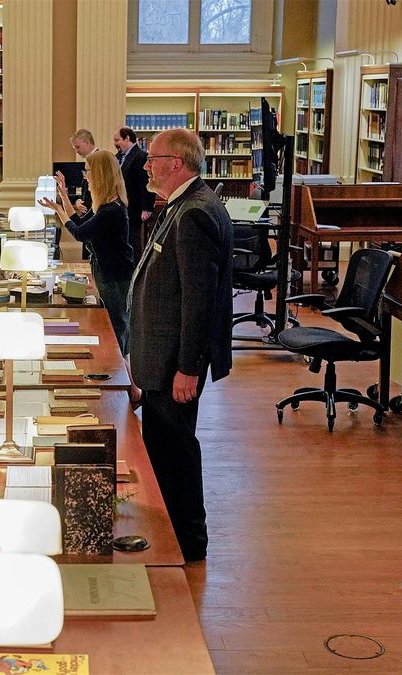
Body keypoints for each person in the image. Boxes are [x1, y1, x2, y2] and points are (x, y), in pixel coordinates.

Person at [127, 129, 233, 562]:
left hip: (174, 362)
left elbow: (198, 299)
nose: (146, 166)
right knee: (163, 451)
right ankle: (170, 533)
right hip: (161, 357)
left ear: (178, 163)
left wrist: (188, 367)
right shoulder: (181, 205)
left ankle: (188, 543)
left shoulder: (194, 213)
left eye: (153, 159)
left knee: (176, 453)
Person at [40, 150, 134, 353]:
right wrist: (63, 197)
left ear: (99, 174)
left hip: (114, 273)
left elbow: (80, 233)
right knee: (113, 320)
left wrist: (59, 210)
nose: (85, 176)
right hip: (106, 268)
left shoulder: (111, 209)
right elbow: (80, 222)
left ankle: (125, 375)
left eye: (87, 171)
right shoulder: (104, 205)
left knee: (116, 323)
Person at [114, 126, 154, 244]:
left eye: (117, 140)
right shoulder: (118, 157)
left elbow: (146, 183)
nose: (115, 144)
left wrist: (146, 208)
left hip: (134, 209)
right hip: (120, 209)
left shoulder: (141, 156)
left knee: (133, 242)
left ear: (127, 138)